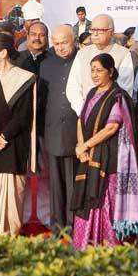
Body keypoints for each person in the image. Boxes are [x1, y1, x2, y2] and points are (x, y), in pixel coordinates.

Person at [71, 53, 138, 249]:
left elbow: (112, 127)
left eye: (99, 70)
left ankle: (109, 243)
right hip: (88, 155)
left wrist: (86, 145)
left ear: (111, 72)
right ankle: (85, 242)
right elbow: (80, 119)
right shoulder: (91, 92)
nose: (95, 75)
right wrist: (81, 146)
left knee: (104, 199)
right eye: (92, 70)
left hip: (109, 158)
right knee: (87, 197)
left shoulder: (118, 96)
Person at [0, 33, 37, 235]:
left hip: (14, 143)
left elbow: (24, 115)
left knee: (14, 192)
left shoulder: (25, 78)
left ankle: (10, 232)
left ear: (4, 53)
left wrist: (3, 136)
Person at [39, 25, 78, 232]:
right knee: (54, 182)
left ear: (74, 40)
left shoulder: (83, 61)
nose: (60, 47)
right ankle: (57, 225)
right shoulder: (46, 64)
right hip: (52, 129)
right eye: (56, 43)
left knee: (74, 180)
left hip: (76, 131)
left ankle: (74, 225)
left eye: (64, 42)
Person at [66, 14, 135, 115]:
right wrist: (83, 111)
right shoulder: (82, 53)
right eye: (93, 30)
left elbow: (125, 89)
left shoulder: (123, 54)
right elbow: (73, 87)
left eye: (100, 30)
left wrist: (108, 114)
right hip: (85, 114)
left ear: (111, 32)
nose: (95, 34)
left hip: (112, 116)